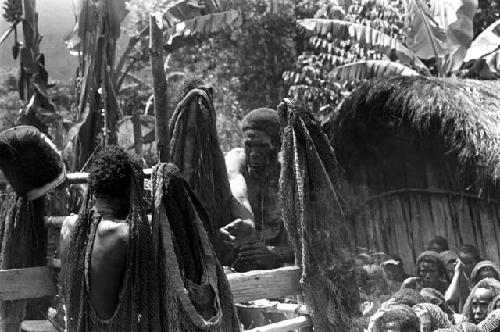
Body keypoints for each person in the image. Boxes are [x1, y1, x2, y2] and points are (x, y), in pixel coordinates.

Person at [222, 108, 293, 271]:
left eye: (261, 146)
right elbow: (238, 191)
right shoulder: (236, 159)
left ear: (277, 145)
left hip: (275, 264)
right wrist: (247, 222)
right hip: (235, 260)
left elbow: (312, 243)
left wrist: (275, 254)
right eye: (249, 145)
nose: (253, 153)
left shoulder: (289, 174)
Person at [446, 245, 482, 312]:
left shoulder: (482, 274)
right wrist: (457, 272)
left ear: (477, 261)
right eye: (464, 263)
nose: (467, 266)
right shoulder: (457, 276)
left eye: (470, 263)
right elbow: (450, 299)